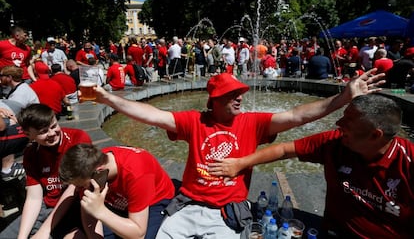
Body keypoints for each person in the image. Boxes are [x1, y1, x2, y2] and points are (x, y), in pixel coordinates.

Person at [87, 70, 384, 238]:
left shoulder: (252, 123)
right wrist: (109, 98)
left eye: (240, 92)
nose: (241, 96)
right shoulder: (195, 121)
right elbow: (152, 115)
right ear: (215, 100)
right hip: (188, 204)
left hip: (226, 212)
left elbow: (297, 116)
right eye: (232, 94)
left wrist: (344, 97)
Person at [208, 94, 413, 238]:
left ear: (375, 135)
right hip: (333, 231)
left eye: (348, 121)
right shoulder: (335, 142)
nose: (338, 124)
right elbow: (284, 149)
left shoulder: (408, 162)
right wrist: (240, 163)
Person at [0, 104, 94, 238]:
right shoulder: (31, 154)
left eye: (54, 126)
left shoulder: (77, 139)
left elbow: (74, 189)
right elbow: (34, 198)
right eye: (43, 132)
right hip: (47, 208)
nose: (52, 133)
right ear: (28, 134)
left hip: (77, 208)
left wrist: (45, 230)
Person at [59, 143, 175, 239]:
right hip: (117, 201)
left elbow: (138, 234)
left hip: (153, 202)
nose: (81, 190)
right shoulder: (92, 163)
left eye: (81, 186)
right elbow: (88, 210)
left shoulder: (137, 173)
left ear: (99, 172)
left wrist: (100, 211)